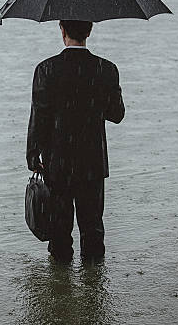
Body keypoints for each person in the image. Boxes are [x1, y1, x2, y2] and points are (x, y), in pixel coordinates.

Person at [26, 20, 125, 261]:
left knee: (59, 233)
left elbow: (39, 116)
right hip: (92, 163)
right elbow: (117, 115)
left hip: (57, 163)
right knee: (93, 230)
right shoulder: (106, 69)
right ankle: (94, 292)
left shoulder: (46, 69)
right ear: (89, 31)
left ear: (62, 30)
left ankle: (60, 292)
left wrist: (32, 154)